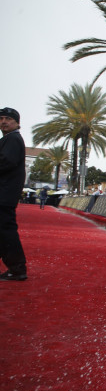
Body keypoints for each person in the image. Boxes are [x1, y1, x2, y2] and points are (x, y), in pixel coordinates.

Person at [0, 107, 28, 281]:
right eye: (1, 118)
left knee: (6, 230)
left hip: (4, 194)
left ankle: (17, 268)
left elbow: (6, 162)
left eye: (8, 119)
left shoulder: (12, 139)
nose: (4, 122)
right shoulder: (10, 139)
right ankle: (16, 266)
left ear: (17, 123)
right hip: (5, 193)